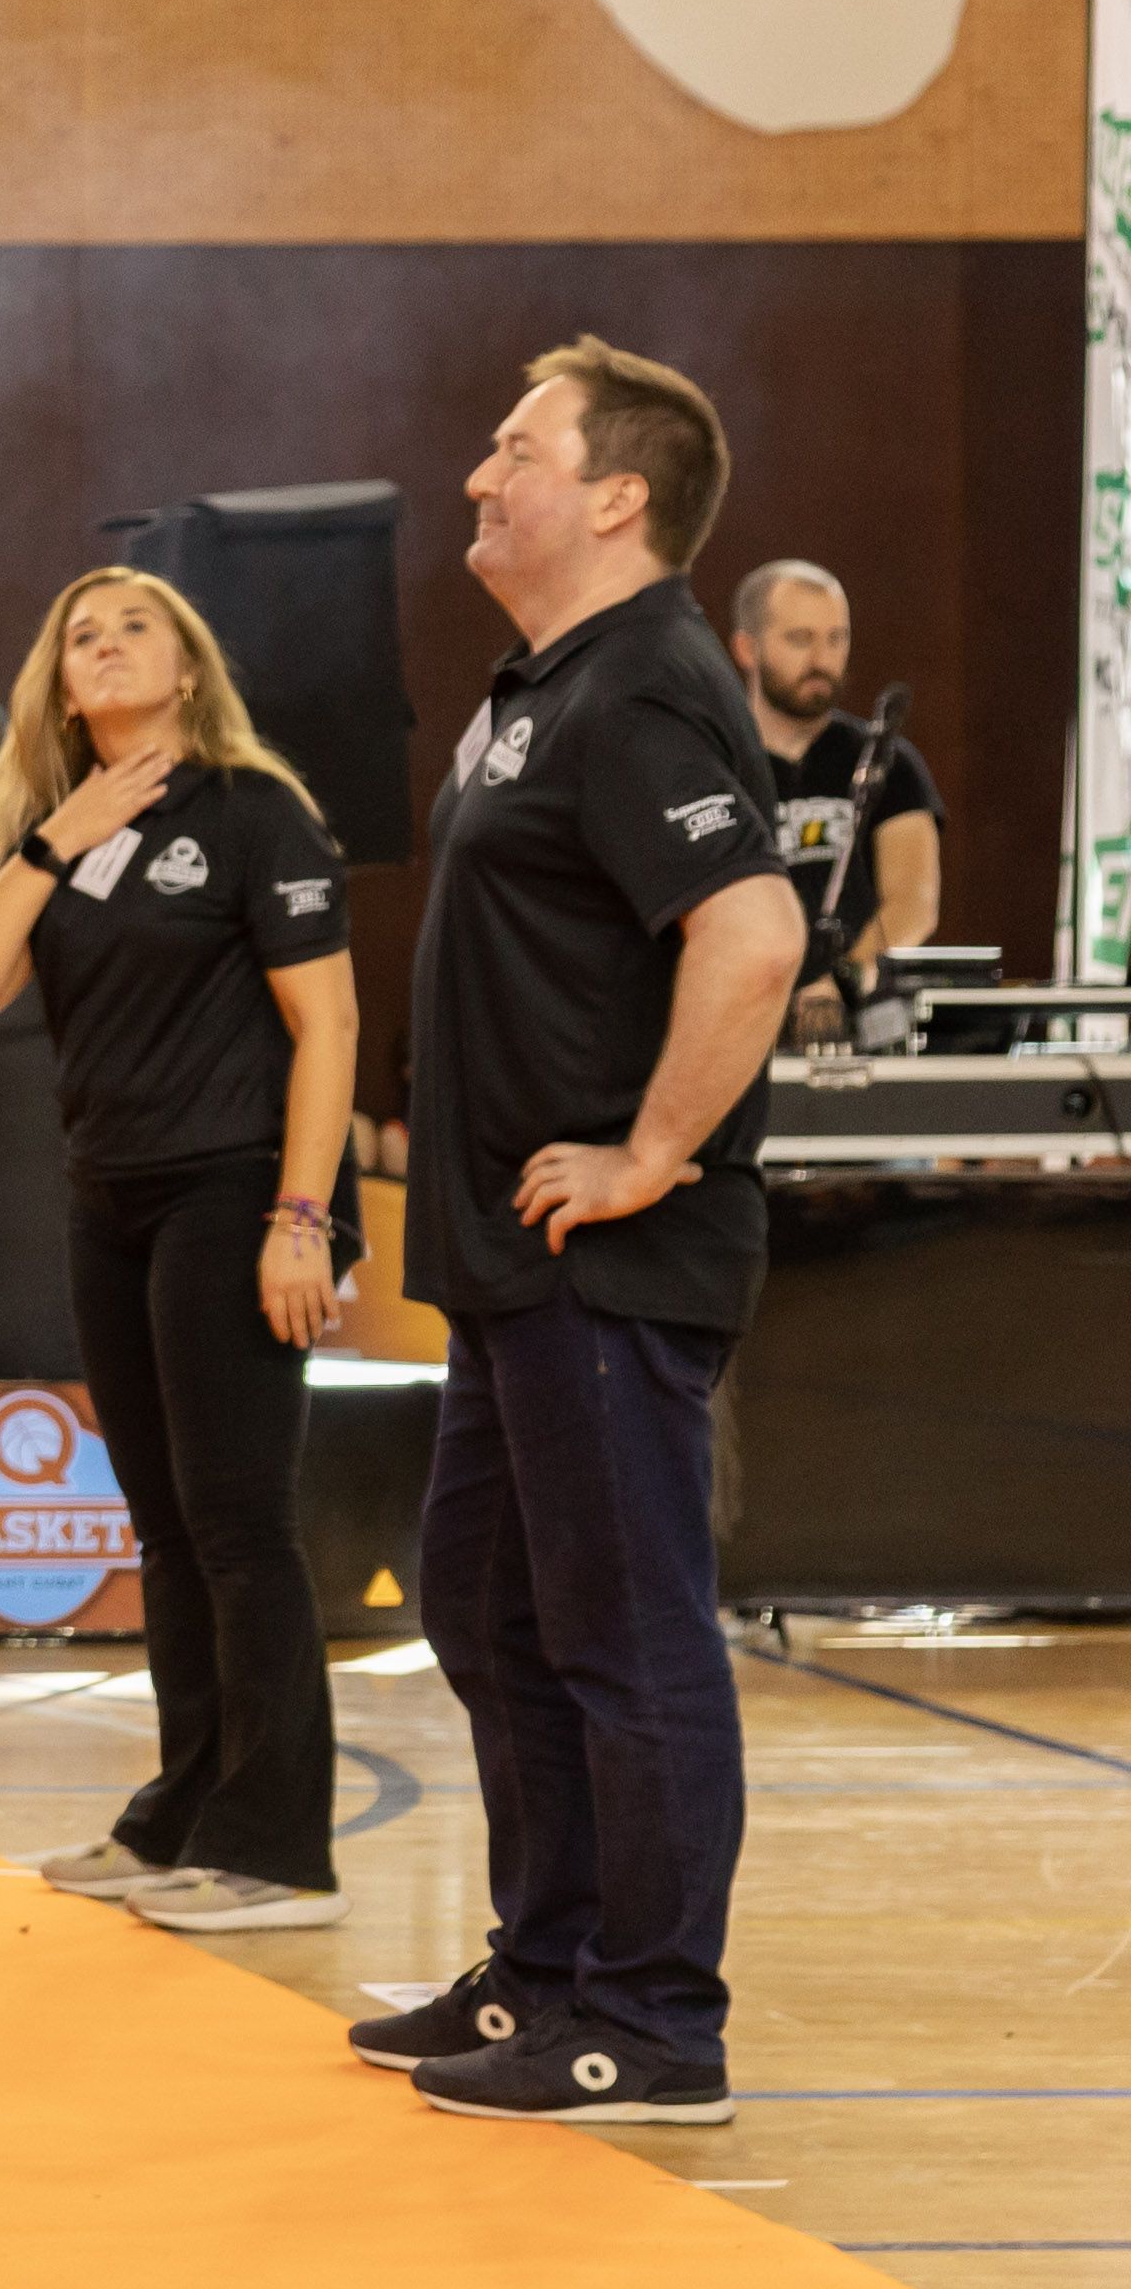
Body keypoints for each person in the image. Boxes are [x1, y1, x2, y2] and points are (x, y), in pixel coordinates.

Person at [354, 341, 806, 2126]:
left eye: (517, 448)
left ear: (617, 497)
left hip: (606, 1264)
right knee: (488, 1611)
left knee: (626, 1640)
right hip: (511, 1268)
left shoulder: (642, 690)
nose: (480, 474)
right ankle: (542, 1973)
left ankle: (656, 2023)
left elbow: (752, 933)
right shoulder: (543, 689)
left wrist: (648, 1152)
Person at [0, 568, 360, 1932]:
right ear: (61, 690)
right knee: (165, 1528)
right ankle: (183, 1815)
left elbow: (329, 1027)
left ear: (188, 667)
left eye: (134, 628)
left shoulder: (253, 811)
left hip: (232, 1193)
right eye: (80, 637)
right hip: (107, 1201)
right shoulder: (58, 835)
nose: (105, 647)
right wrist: (54, 841)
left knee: (238, 1523)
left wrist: (303, 1219)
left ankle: (279, 1852)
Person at [727, 562, 940, 1037]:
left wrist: (842, 981)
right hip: (741, 1022)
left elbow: (914, 902)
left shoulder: (887, 761)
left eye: (836, 639)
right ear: (746, 648)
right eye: (800, 639)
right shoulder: (715, 764)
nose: (821, 659)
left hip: (865, 1025)